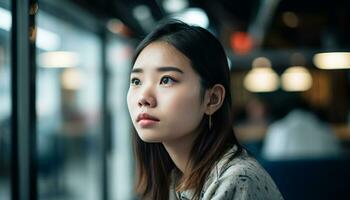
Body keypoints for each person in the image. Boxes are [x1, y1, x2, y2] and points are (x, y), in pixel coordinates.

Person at [126, 20, 283, 200]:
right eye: (136, 81)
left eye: (166, 80)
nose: (143, 98)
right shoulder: (174, 180)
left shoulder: (236, 181)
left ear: (212, 99)